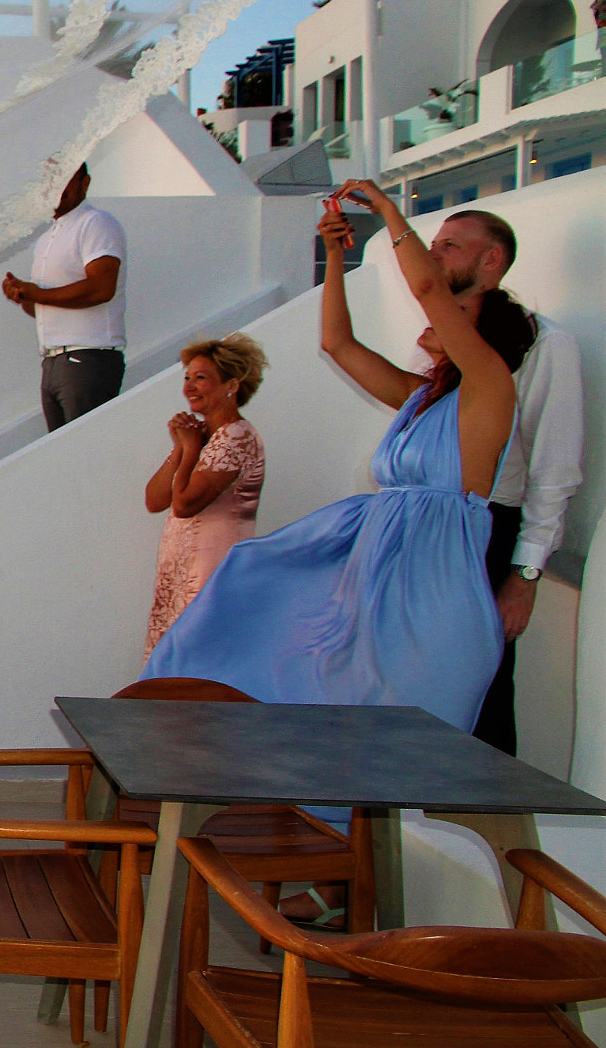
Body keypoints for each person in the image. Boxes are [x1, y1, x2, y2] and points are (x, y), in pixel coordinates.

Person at [142, 182, 532, 742]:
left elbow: (426, 286)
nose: (443, 313)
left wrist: (388, 209)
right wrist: (334, 252)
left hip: (432, 583)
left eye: (458, 310)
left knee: (391, 733)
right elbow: (336, 344)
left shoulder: (490, 388)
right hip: (379, 571)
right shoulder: (423, 398)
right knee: (262, 613)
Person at [417, 206, 583, 756]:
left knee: (481, 696)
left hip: (488, 533)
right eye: (434, 244)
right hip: (428, 532)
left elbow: (553, 470)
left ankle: (491, 834)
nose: (435, 255)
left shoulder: (544, 345)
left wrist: (524, 575)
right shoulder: (439, 339)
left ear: (492, 260)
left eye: (450, 247)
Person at [141, 334, 268, 657]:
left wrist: (191, 447)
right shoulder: (204, 437)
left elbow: (183, 505)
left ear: (232, 385)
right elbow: (155, 501)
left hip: (212, 573)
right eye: (187, 378)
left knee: (198, 662)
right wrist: (182, 448)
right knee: (173, 668)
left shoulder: (236, 436)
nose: (189, 387)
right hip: (181, 571)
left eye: (201, 378)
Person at [1, 163, 128, 431]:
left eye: (65, 178)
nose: (56, 187)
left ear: (85, 183)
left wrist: (38, 294)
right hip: (54, 362)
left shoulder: (96, 223)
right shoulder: (47, 237)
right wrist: (23, 296)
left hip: (87, 358)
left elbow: (102, 288)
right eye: (50, 180)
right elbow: (43, 308)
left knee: (83, 453)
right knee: (62, 456)